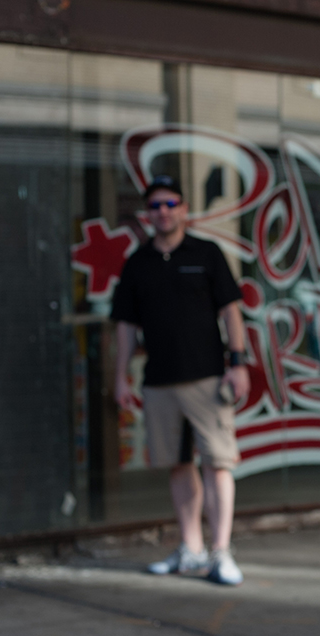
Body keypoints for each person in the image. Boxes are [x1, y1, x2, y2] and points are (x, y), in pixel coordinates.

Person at [111, 175, 250, 586]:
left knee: (218, 463)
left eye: (170, 203)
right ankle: (190, 549)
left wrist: (238, 362)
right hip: (158, 381)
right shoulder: (137, 263)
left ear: (184, 209)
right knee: (177, 465)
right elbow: (124, 327)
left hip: (207, 378)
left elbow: (231, 312)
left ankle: (220, 553)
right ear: (147, 214)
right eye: (155, 206)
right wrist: (120, 377)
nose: (163, 211)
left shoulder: (206, 253)